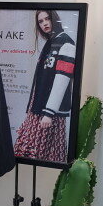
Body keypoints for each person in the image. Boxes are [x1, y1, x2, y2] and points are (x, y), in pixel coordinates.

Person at [13, 9, 75, 164]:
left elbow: (62, 78)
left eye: (48, 19)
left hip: (49, 111)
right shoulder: (51, 42)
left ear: (54, 19)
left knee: (41, 152)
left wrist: (49, 112)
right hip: (38, 106)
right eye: (41, 21)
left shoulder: (66, 42)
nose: (45, 23)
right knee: (27, 149)